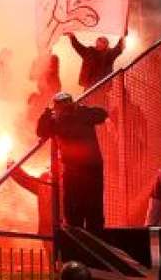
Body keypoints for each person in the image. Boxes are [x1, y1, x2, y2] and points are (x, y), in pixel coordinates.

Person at [37, 92, 108, 232]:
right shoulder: (83, 115)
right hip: (92, 170)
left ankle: (78, 246)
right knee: (94, 212)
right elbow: (102, 113)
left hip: (74, 172)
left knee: (74, 215)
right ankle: (96, 245)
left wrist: (47, 113)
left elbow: (41, 131)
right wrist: (81, 109)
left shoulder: (56, 121)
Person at [7, 161, 53, 236]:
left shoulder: (56, 182)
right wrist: (12, 166)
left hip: (59, 233)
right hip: (47, 233)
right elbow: (26, 181)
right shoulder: (45, 179)